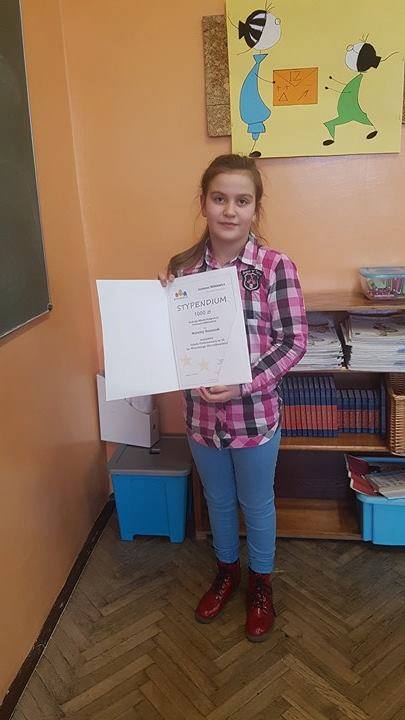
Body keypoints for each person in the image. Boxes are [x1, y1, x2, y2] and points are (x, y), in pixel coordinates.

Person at [159, 154, 307, 642]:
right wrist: (158, 307)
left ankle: (260, 583)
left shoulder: (275, 267)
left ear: (255, 208)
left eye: (242, 201)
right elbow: (170, 342)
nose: (229, 210)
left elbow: (294, 342)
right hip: (201, 418)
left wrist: (243, 384)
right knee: (218, 502)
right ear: (203, 203)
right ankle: (226, 572)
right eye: (219, 198)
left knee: (256, 503)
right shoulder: (181, 270)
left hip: (255, 416)